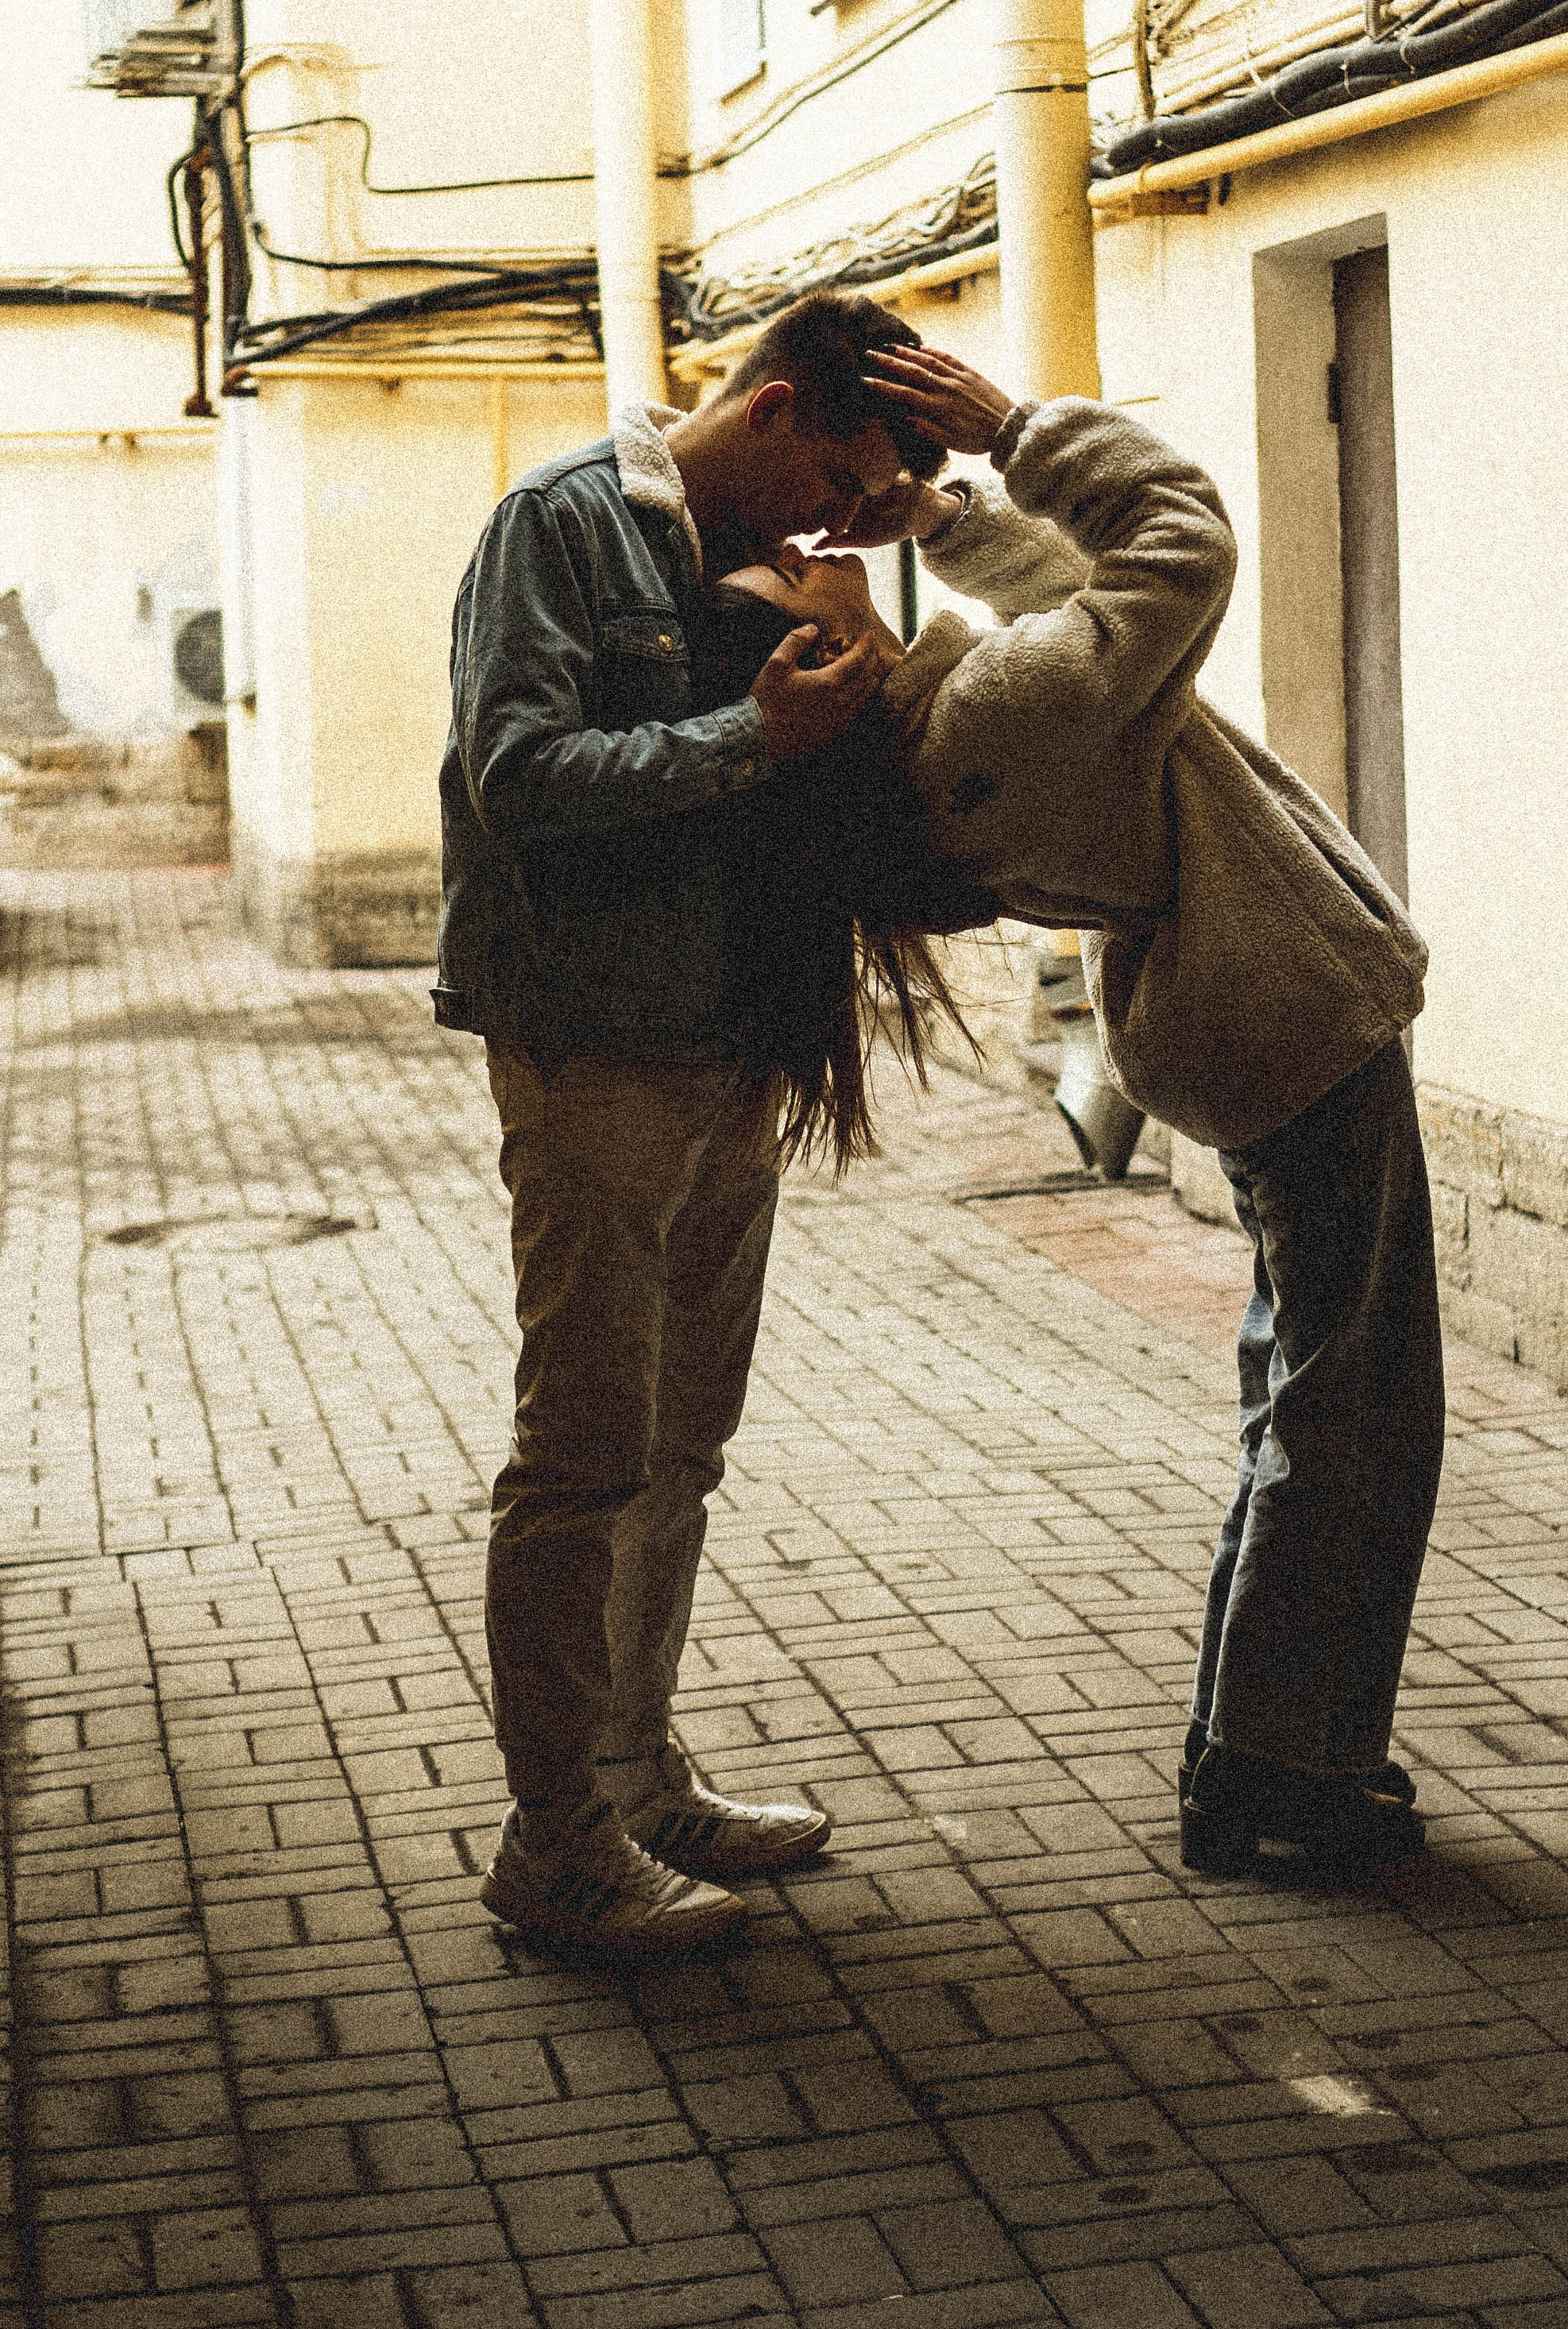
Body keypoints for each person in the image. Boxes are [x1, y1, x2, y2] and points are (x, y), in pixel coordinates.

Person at [724, 344, 1443, 1880]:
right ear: (816, 673)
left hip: (1244, 1023)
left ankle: (1261, 1746)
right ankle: (1284, 1773)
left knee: (1309, 1392)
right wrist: (1020, 434)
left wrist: (930, 521)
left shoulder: (950, 740)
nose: (810, 554)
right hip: (1290, 1024)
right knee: (1353, 1409)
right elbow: (1174, 542)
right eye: (789, 587)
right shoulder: (991, 723)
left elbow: (1060, 612)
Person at [435, 290, 952, 1958]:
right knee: (582, 1453)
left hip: (732, 1048)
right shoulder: (561, 524)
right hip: (595, 1046)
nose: (831, 522)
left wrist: (855, 603)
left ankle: (638, 1777)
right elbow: (515, 778)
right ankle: (553, 1845)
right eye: (835, 481)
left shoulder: (760, 557)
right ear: (781, 404)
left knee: (682, 1446)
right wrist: (754, 731)